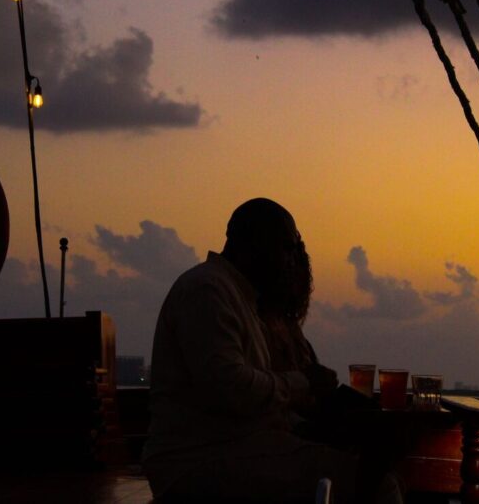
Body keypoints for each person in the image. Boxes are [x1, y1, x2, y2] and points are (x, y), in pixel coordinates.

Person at [142, 198, 362, 502]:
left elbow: (255, 399)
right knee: (368, 478)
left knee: (366, 466)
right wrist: (304, 382)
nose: (291, 261)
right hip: (198, 462)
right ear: (253, 245)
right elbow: (230, 389)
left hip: (235, 450)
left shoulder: (240, 300)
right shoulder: (207, 290)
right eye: (286, 248)